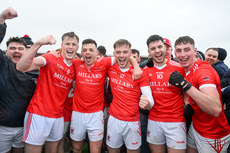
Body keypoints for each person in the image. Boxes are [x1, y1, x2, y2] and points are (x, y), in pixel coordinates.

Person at [70, 38, 142, 153]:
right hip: (77, 113)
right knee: (76, 148)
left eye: (91, 50)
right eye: (85, 50)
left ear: (96, 52)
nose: (88, 52)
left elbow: (125, 56)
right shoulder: (76, 63)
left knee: (95, 150)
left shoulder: (105, 62)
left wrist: (136, 66)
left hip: (96, 114)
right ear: (82, 53)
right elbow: (61, 57)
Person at [16, 32, 79, 153]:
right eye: (67, 44)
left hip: (58, 116)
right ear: (62, 45)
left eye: (73, 44)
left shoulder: (75, 66)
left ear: (77, 47)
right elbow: (21, 67)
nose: (70, 47)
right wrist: (38, 43)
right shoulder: (51, 57)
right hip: (39, 114)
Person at [170, 36, 230, 153]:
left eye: (187, 50)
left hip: (213, 133)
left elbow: (216, 109)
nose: (182, 54)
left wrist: (184, 84)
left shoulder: (203, 71)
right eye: (179, 50)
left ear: (195, 51)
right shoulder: (186, 69)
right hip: (196, 126)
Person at [0, 7, 38, 153]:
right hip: (3, 126)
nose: (16, 51)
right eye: (12, 48)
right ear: (6, 51)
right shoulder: (2, 63)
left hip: (25, 124)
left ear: (26, 51)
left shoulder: (35, 68)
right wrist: (1, 20)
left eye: (20, 48)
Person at [106, 39, 154, 153]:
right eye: (118, 52)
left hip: (132, 122)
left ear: (130, 53)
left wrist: (147, 104)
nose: (121, 55)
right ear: (114, 54)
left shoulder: (140, 73)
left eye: (125, 52)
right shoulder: (110, 68)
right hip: (114, 119)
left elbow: (150, 101)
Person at [144, 35, 186, 153]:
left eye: (159, 47)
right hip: (154, 120)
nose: (157, 51)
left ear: (165, 48)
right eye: (153, 48)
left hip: (176, 121)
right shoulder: (146, 70)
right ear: (149, 52)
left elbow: (185, 92)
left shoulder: (179, 68)